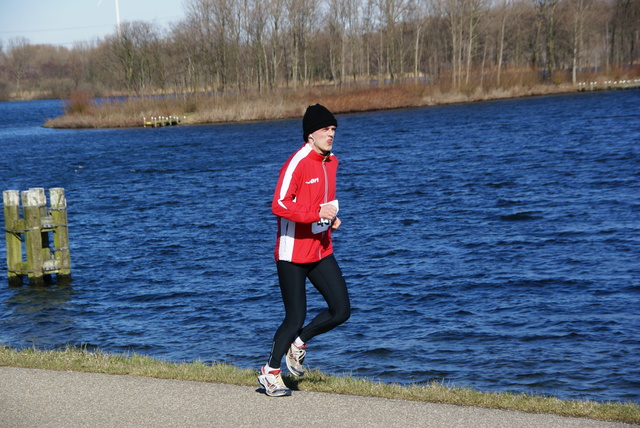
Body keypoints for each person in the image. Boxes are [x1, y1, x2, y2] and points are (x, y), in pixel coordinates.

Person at [258, 104, 351, 397]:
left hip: (320, 249)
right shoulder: (296, 162)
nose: (331, 134)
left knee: (341, 310)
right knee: (295, 315)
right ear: (310, 134)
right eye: (326, 129)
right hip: (292, 253)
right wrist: (316, 212)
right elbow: (280, 204)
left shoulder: (331, 161)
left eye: (333, 129)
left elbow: (322, 201)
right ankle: (270, 373)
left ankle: (299, 343)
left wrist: (329, 218)